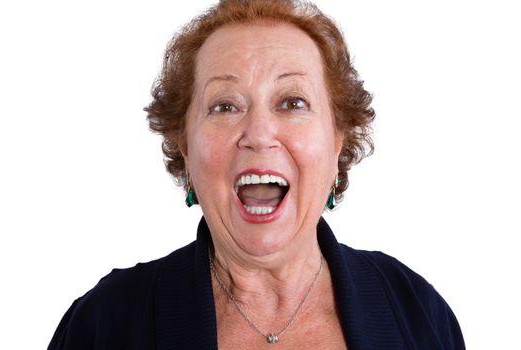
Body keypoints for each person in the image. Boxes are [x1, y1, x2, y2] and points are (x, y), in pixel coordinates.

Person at [48, 0, 465, 349]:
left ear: (337, 139)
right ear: (185, 147)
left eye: (292, 102)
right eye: (225, 106)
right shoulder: (105, 323)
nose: (259, 134)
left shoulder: (417, 311)